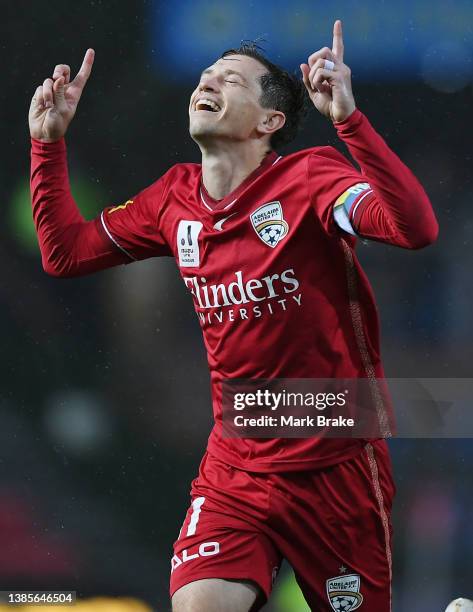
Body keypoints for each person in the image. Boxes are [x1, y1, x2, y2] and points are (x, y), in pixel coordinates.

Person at [29, 20, 438, 612]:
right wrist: (48, 143)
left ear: (269, 122)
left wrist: (350, 121)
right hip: (236, 465)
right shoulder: (173, 197)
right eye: (205, 76)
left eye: (230, 80)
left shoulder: (311, 179)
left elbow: (415, 228)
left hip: (335, 464)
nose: (207, 83)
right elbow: (65, 253)